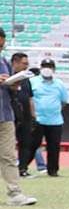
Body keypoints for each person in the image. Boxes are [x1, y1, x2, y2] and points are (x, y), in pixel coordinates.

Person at [0, 33, 33, 206]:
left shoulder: (4, 62)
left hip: (5, 115)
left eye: (2, 45)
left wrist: (13, 84)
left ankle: (15, 193)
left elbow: (11, 88)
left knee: (9, 156)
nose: (1, 48)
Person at [29, 58, 67, 177]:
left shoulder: (59, 83)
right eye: (45, 66)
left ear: (54, 69)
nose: (47, 69)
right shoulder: (32, 81)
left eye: (50, 66)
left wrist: (54, 110)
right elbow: (29, 98)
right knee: (32, 145)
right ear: (40, 68)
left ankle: (53, 170)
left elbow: (64, 101)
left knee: (54, 146)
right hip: (37, 120)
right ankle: (23, 167)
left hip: (55, 121)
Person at [7, 50, 34, 178]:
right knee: (7, 145)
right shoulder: (7, 76)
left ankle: (22, 169)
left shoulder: (26, 79)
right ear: (15, 63)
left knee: (26, 143)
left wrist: (33, 116)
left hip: (26, 116)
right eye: (24, 63)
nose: (26, 66)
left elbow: (29, 98)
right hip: (11, 115)